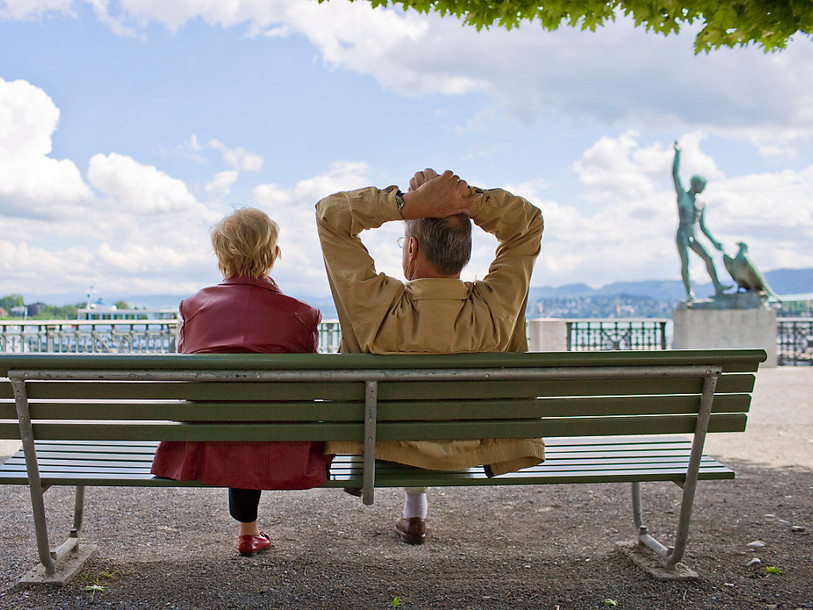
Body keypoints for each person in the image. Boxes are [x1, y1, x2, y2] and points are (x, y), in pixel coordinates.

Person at [315, 168, 546, 545]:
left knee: (392, 414)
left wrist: (407, 205)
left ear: (411, 250)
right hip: (470, 445)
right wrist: (468, 199)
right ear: (464, 253)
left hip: (383, 441)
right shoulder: (492, 311)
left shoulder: (377, 309)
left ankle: (412, 505)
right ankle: (415, 510)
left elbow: (330, 215)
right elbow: (527, 223)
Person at [151, 207, 331, 556]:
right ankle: (249, 532)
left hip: (207, 441)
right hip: (279, 443)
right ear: (275, 254)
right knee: (255, 419)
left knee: (234, 416)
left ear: (220, 253)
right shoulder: (303, 315)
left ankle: (249, 529)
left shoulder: (193, 308)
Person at [672, 141, 730, 300]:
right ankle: (689, 292)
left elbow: (703, 226)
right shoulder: (683, 196)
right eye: (702, 185)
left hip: (694, 235)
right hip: (682, 234)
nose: (703, 189)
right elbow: (675, 174)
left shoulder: (700, 204)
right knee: (686, 264)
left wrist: (714, 242)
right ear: (695, 184)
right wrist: (678, 153)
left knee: (709, 258)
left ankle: (718, 287)